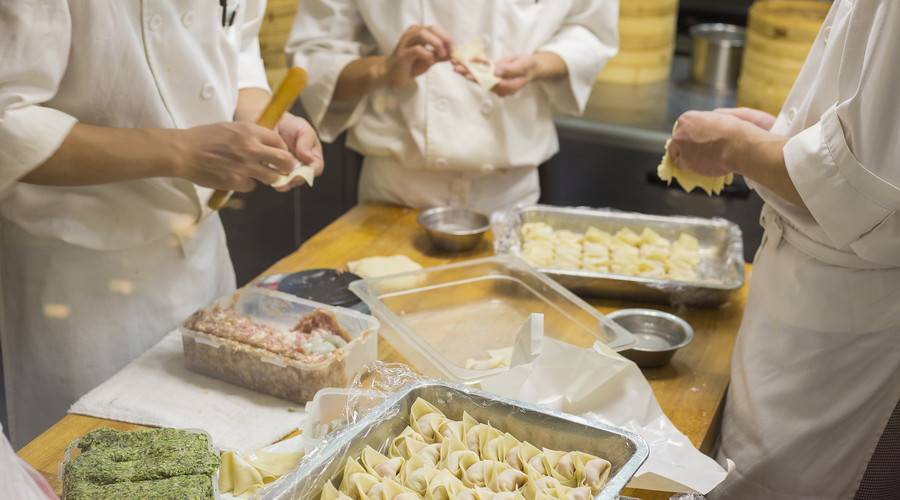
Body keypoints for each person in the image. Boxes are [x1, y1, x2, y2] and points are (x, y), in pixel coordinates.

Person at [0, 1, 323, 447]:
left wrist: (259, 117)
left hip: (200, 251)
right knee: (91, 465)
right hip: (80, 277)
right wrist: (182, 153)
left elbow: (235, 39)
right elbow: (9, 121)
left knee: (222, 456)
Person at [667, 1, 900, 498]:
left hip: (842, 328)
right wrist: (778, 137)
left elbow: (862, 193)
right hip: (813, 306)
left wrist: (737, 146)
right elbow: (867, 143)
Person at [286, 1, 617, 214]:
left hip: (510, 192)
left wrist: (539, 65)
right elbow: (314, 56)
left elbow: (589, 29)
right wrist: (385, 69)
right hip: (396, 191)